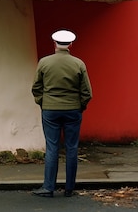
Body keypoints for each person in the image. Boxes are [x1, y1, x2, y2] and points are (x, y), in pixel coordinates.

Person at [31, 29, 93, 198]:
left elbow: (36, 88)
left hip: (50, 110)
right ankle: (69, 188)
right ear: (70, 44)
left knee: (52, 148)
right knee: (72, 148)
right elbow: (87, 92)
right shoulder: (78, 64)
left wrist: (43, 103)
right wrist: (80, 106)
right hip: (73, 110)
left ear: (54, 43)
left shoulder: (44, 62)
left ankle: (48, 187)